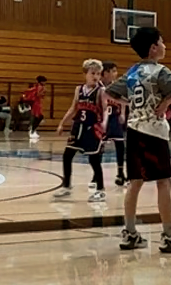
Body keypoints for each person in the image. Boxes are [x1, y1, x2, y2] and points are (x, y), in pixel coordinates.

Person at [105, 26, 171, 253]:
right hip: (154, 132)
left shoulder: (132, 72)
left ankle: (130, 233)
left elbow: (109, 94)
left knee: (134, 183)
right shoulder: (160, 72)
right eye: (162, 42)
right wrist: (164, 103)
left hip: (134, 130)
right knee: (164, 182)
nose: (165, 46)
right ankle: (169, 236)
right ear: (154, 48)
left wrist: (132, 105)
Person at [51, 61, 110, 206]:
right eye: (92, 73)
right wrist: (61, 123)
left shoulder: (101, 91)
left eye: (98, 74)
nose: (95, 77)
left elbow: (105, 110)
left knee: (94, 160)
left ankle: (101, 190)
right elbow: (73, 108)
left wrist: (104, 124)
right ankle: (66, 186)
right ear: (85, 74)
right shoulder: (79, 89)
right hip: (78, 127)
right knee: (67, 155)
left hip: (92, 128)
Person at [101, 61, 127, 184]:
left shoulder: (117, 86)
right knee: (99, 147)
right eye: (114, 71)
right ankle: (96, 175)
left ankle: (120, 173)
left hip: (114, 118)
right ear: (106, 73)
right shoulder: (98, 86)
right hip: (102, 119)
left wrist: (122, 113)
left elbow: (123, 100)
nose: (116, 74)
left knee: (120, 145)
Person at [22, 76, 48, 141]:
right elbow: (38, 95)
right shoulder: (40, 87)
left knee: (38, 117)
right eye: (44, 81)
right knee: (39, 117)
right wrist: (43, 92)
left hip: (37, 103)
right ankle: (32, 130)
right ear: (41, 81)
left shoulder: (37, 86)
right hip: (36, 103)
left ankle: (33, 130)